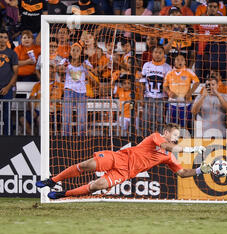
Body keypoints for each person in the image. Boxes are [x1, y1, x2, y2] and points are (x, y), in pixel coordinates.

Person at [36, 123, 213, 199]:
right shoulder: (156, 137)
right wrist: (190, 149)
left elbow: (181, 173)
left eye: (178, 136)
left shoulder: (169, 157)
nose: (176, 138)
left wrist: (199, 171)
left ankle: (63, 194)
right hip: (120, 157)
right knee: (85, 165)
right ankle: (52, 181)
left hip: (125, 173)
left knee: (96, 186)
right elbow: (169, 147)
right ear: (166, 133)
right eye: (174, 135)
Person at [58, 41, 97, 136]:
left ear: (81, 53)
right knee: (66, 117)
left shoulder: (85, 62)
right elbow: (58, 70)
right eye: (73, 50)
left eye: (77, 50)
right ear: (70, 51)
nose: (75, 52)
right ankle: (65, 136)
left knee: (82, 117)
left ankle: (81, 137)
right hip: (69, 91)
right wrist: (63, 67)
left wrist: (86, 67)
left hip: (81, 92)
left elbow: (93, 71)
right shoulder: (66, 61)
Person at [140, 45, 172, 133]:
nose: (157, 54)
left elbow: (169, 84)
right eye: (156, 52)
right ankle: (146, 138)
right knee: (147, 120)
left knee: (160, 120)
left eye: (160, 53)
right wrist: (141, 97)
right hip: (148, 97)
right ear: (152, 53)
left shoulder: (168, 67)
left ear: (163, 54)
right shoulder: (146, 65)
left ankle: (159, 139)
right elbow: (142, 83)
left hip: (161, 98)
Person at [163, 53, 200, 128]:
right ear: (174, 62)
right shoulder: (169, 73)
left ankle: (185, 138)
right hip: (172, 103)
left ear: (185, 62)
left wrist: (190, 93)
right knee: (172, 125)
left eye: (182, 60)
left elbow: (197, 82)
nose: (180, 61)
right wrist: (169, 92)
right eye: (178, 59)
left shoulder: (188, 71)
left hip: (185, 104)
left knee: (185, 125)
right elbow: (164, 85)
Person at [0, 29, 18, 136]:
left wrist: (8, 87)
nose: (2, 39)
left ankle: (9, 137)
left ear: (7, 39)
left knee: (7, 115)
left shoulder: (12, 54)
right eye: (1, 37)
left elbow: (15, 73)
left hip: (7, 88)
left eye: (5, 37)